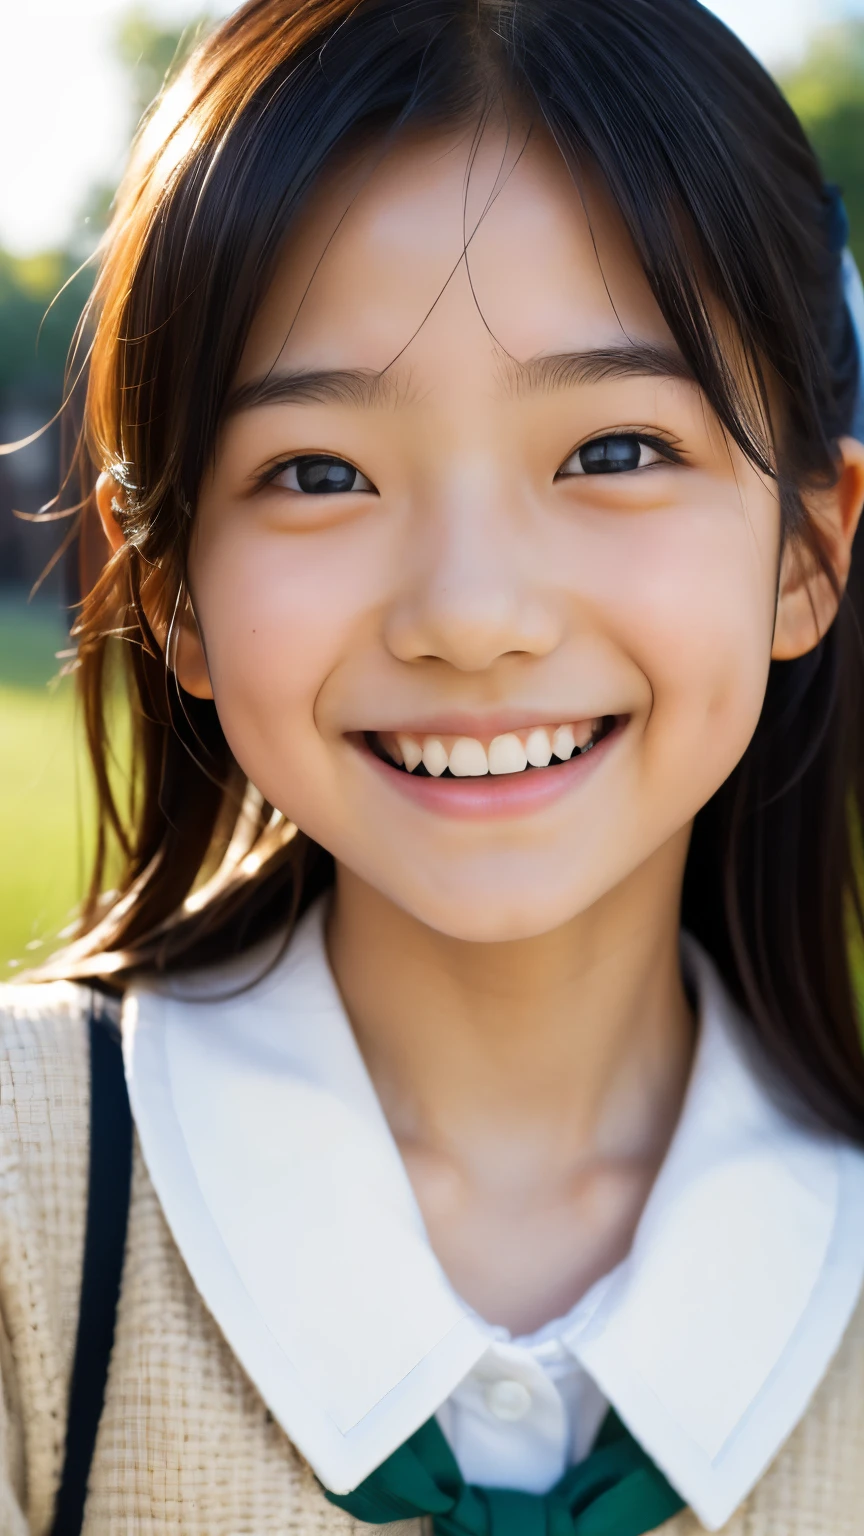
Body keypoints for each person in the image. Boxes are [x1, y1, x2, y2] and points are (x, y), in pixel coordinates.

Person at [4, 0, 864, 1530]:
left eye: (613, 451)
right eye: (318, 472)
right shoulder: (27, 1197)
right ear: (176, 591)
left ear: (809, 547)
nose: (471, 615)